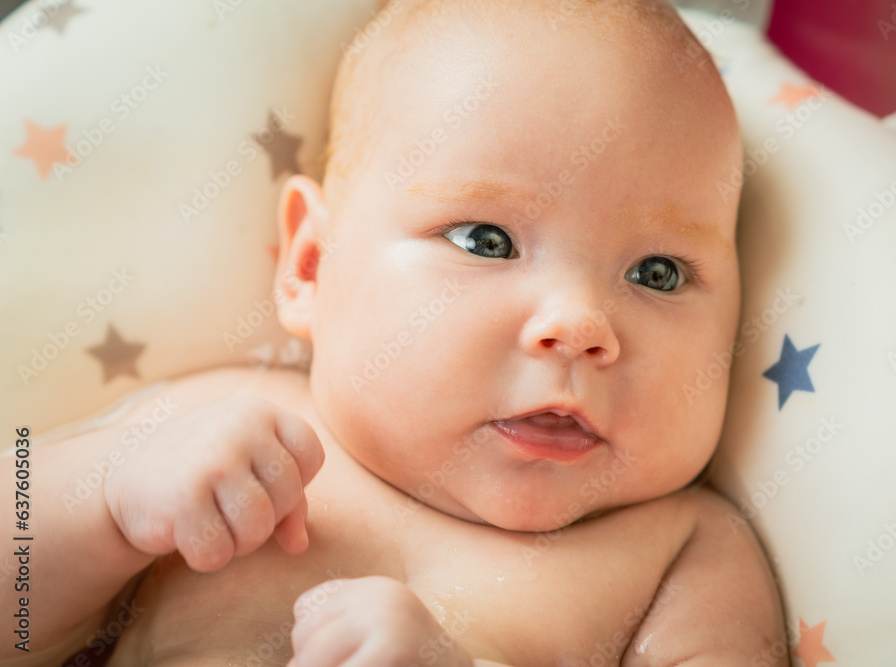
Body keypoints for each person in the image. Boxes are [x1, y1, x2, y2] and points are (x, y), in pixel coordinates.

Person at [3, 0, 787, 665]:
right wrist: (106, 498)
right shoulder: (219, 427)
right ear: (310, 265)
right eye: (486, 240)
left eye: (658, 273)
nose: (580, 327)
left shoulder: (687, 553)